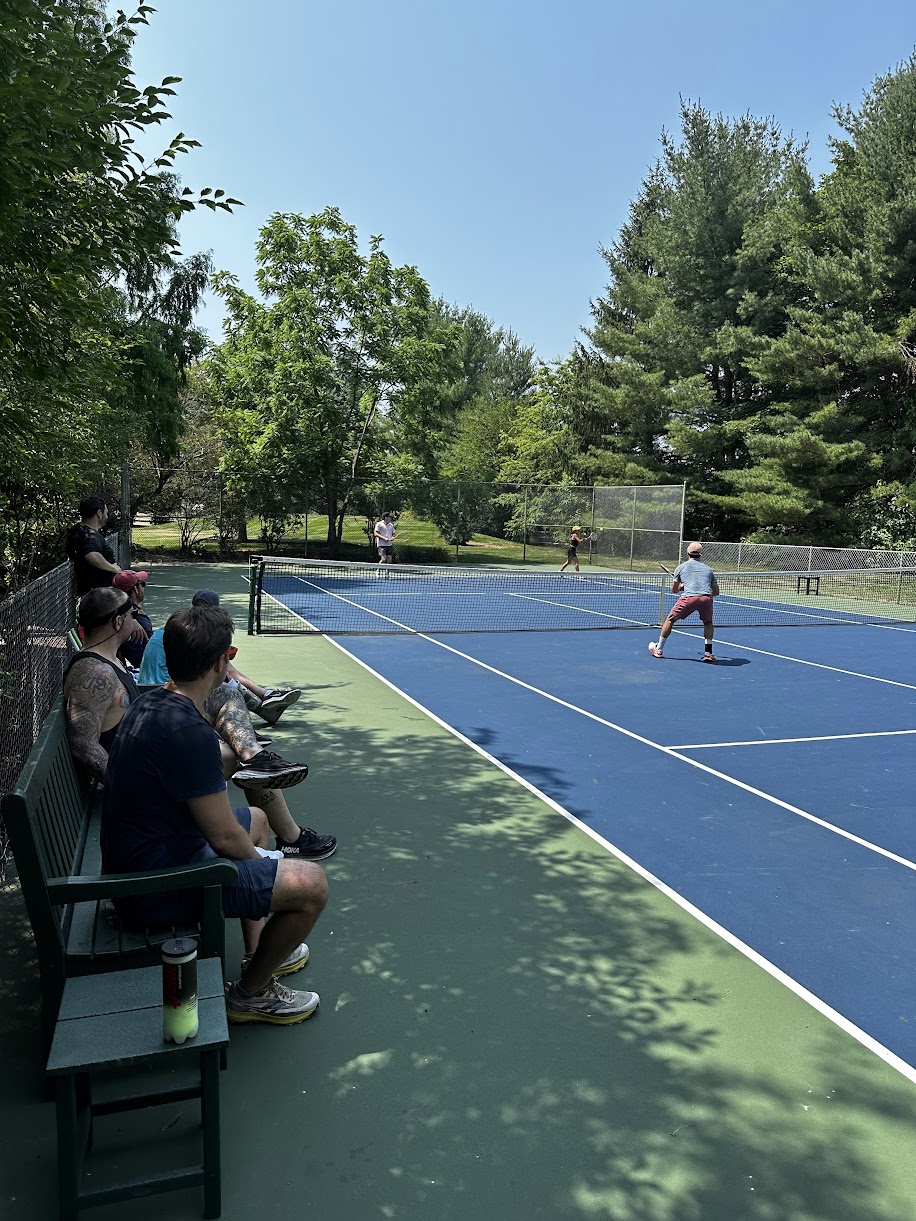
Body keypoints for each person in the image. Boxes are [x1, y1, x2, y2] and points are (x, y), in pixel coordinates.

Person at [101, 604, 330, 1024]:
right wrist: (267, 863)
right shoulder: (190, 734)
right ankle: (251, 994)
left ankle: (257, 954)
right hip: (157, 887)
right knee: (311, 884)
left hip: (139, 863)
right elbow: (224, 839)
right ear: (221, 662)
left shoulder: (151, 704)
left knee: (259, 821)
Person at [140, 588, 301, 726]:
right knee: (227, 685)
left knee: (220, 669)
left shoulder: (178, 627)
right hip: (165, 688)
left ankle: (265, 699)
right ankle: (260, 705)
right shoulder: (193, 635)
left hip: (146, 689)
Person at [64, 587, 141, 783]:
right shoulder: (95, 672)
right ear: (118, 621)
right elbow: (83, 745)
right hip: (127, 786)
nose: (135, 619)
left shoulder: (109, 660)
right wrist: (134, 788)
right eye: (133, 613)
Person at [649, 542, 720, 662]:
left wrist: (682, 587)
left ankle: (659, 649)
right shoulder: (708, 569)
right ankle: (708, 653)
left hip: (689, 598)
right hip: (706, 598)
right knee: (708, 623)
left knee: (670, 619)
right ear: (701, 555)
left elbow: (674, 590)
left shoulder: (681, 567)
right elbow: (716, 592)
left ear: (687, 553)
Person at [64, 496, 121, 595]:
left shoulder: (77, 530)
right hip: (101, 595)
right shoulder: (91, 535)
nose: (107, 517)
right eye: (106, 513)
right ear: (99, 513)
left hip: (92, 592)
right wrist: (113, 568)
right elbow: (91, 556)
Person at [113, 569, 153, 669]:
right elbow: (146, 658)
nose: (144, 587)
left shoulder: (114, 613)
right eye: (142, 584)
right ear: (135, 589)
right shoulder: (140, 621)